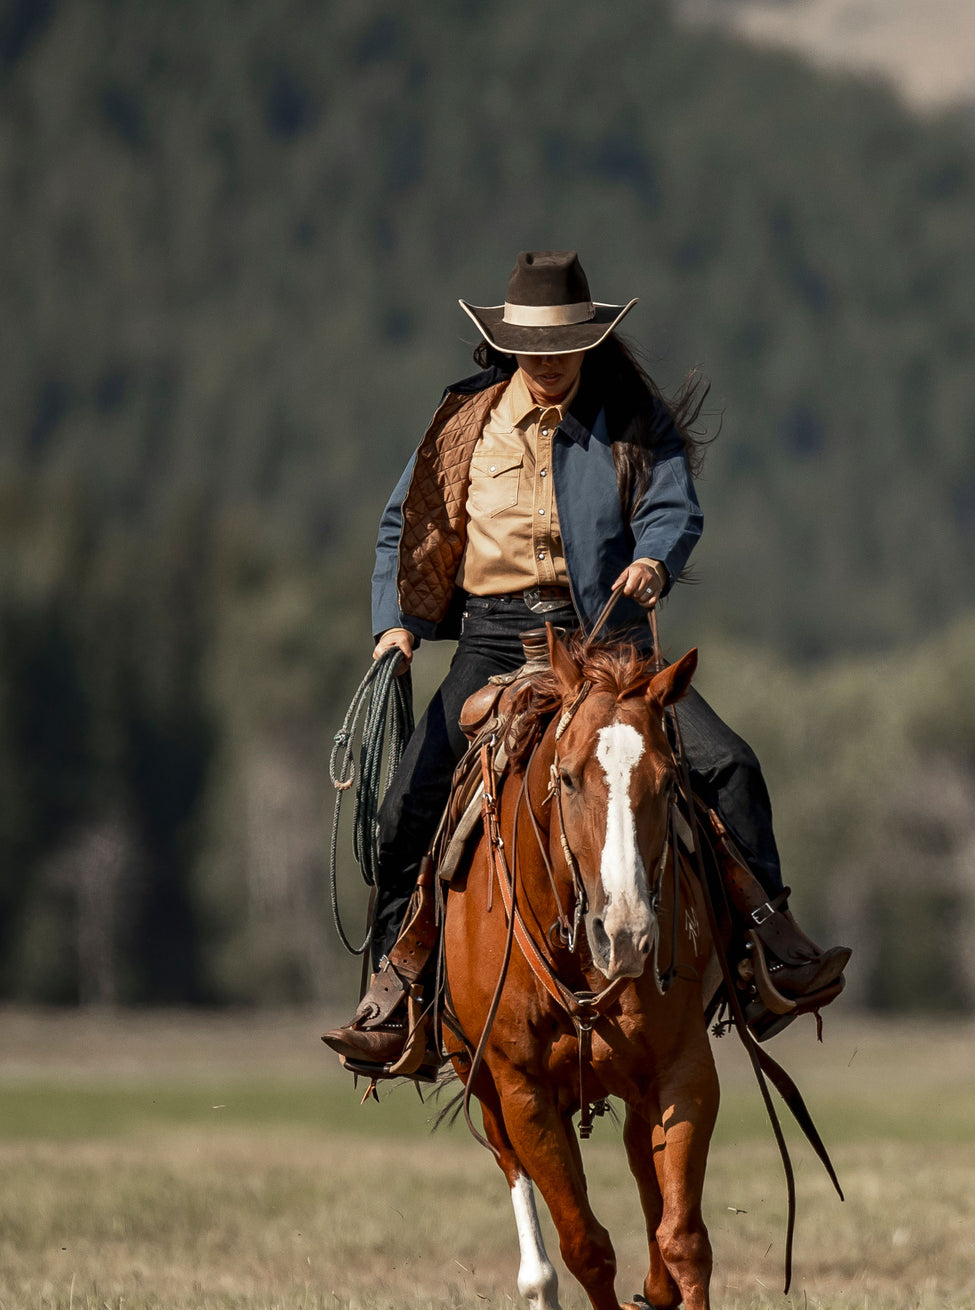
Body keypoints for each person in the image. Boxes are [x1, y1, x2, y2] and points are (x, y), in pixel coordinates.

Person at [323, 250, 848, 1068]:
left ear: (589, 341)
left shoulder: (628, 415)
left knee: (730, 766)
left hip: (607, 635)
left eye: (565, 343)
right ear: (509, 344)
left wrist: (656, 559)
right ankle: (400, 992)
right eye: (535, 345)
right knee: (404, 812)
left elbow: (674, 503)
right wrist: (395, 624)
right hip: (493, 640)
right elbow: (407, 523)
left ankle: (765, 950)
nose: (550, 359)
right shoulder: (462, 420)